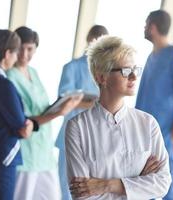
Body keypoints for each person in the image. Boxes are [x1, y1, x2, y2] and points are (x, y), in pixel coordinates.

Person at [65, 36, 171, 199]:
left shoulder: (148, 123)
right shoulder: (78, 127)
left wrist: (107, 185)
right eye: (126, 71)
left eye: (136, 70)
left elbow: (162, 182)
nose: (134, 77)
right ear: (102, 78)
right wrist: (138, 182)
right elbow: (83, 195)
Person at [6, 26, 82, 200]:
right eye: (21, 49)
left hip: (44, 153)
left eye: (30, 49)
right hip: (26, 154)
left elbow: (41, 108)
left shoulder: (33, 72)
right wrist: (60, 112)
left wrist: (63, 104)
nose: (25, 54)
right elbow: (22, 119)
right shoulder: (10, 77)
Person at [136, 10, 173, 200]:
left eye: (146, 25)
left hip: (167, 135)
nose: (144, 28)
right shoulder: (151, 57)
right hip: (148, 134)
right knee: (148, 183)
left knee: (170, 181)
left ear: (153, 27)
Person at [56, 24, 108, 200]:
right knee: (66, 187)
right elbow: (66, 100)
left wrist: (90, 102)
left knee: (90, 190)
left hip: (96, 140)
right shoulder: (71, 68)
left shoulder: (106, 74)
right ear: (89, 40)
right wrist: (94, 103)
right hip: (71, 137)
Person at [0, 29, 33, 200]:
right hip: (2, 159)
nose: (17, 57)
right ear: (7, 53)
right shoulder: (3, 85)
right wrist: (30, 125)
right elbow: (22, 129)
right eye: (16, 52)